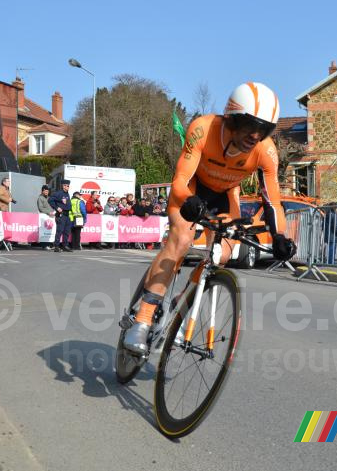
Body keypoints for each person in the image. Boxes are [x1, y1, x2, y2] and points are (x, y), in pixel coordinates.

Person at [123, 82, 296, 354]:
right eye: (249, 126)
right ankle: (143, 320)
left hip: (226, 193)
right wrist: (188, 200)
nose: (255, 135)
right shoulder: (203, 128)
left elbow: (272, 201)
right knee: (182, 240)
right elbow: (181, 179)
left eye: (263, 129)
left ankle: (180, 306)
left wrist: (279, 237)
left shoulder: (266, 150)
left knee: (222, 254)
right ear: (232, 119)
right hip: (193, 188)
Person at [48, 179, 72, 252]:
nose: (68, 187)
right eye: (66, 186)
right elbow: (50, 200)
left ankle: (65, 245)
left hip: (67, 215)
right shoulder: (58, 193)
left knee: (67, 231)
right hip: (61, 215)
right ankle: (56, 246)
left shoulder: (67, 194)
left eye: (68, 186)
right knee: (59, 231)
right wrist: (56, 207)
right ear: (63, 186)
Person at [37, 185, 55, 250]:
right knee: (44, 231)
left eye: (47, 191)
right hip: (44, 217)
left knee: (50, 231)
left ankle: (50, 244)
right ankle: (44, 245)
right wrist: (48, 212)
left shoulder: (49, 198)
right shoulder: (40, 198)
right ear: (42, 191)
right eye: (45, 191)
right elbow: (40, 208)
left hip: (51, 217)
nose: (46, 192)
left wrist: (53, 211)